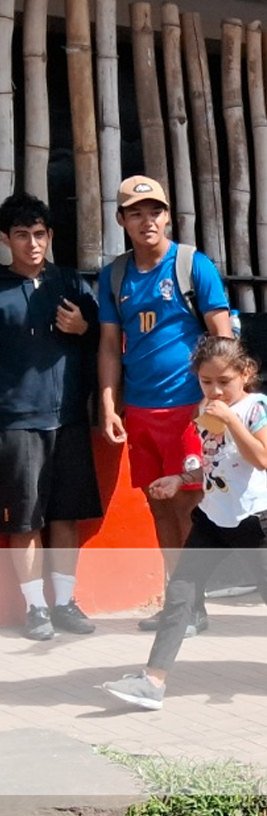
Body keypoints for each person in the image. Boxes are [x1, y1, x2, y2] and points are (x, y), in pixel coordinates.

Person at [102, 337, 267, 710]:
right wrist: (178, 480)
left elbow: (262, 458)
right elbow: (212, 463)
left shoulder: (258, 407)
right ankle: (153, 681)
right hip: (211, 515)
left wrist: (232, 419)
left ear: (245, 374)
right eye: (206, 381)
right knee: (181, 594)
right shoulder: (204, 410)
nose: (215, 390)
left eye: (224, 381)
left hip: (253, 518)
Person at [97, 175, 234, 635]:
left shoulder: (194, 265)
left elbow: (223, 337)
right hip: (141, 412)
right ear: (121, 220)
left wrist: (222, 403)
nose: (146, 220)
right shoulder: (114, 275)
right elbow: (109, 344)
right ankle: (179, 601)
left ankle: (193, 606)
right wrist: (109, 401)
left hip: (191, 411)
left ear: (168, 215)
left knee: (187, 508)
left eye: (154, 210)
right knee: (158, 507)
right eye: (135, 212)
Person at [0, 192, 103, 640]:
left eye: (39, 234)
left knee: (66, 516)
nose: (32, 243)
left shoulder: (72, 284)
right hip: (16, 421)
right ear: (5, 240)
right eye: (21, 235)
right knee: (25, 520)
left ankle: (64, 603)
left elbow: (106, 340)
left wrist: (85, 328)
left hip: (70, 420)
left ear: (51, 235)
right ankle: (35, 609)